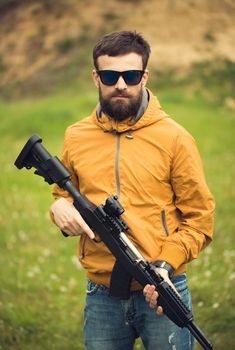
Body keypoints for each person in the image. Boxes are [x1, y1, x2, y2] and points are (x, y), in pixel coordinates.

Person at [50, 31, 215, 350]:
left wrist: (165, 265)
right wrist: (58, 207)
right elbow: (64, 193)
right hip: (102, 296)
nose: (121, 84)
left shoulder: (175, 138)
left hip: (163, 291)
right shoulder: (76, 136)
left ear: (145, 76)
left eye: (131, 75)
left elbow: (200, 218)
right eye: (111, 76)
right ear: (96, 77)